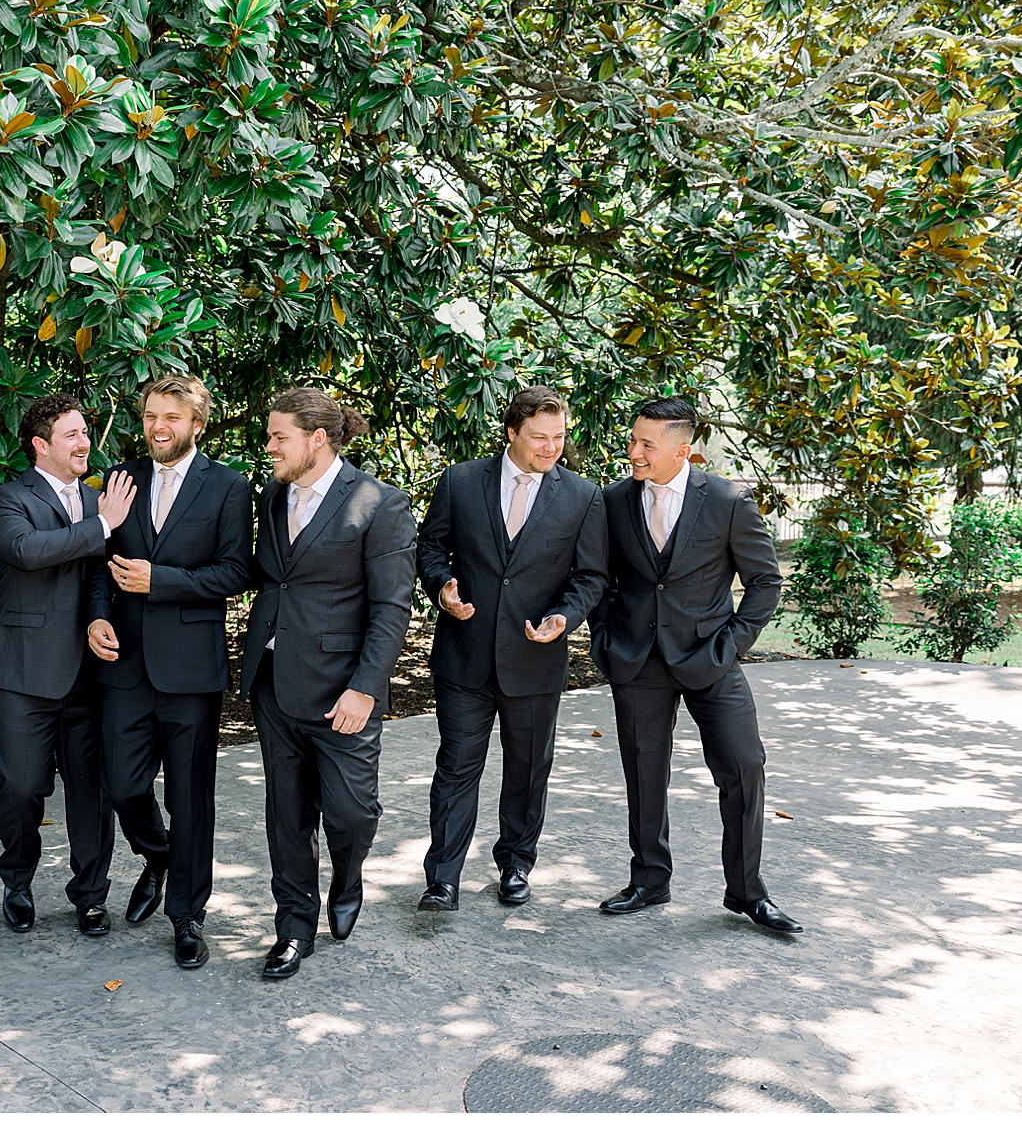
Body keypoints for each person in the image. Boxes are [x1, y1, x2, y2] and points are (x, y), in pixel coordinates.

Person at [590, 397, 802, 933]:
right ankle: (649, 879)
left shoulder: (729, 500)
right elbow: (599, 579)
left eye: (646, 444)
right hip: (637, 661)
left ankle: (747, 893)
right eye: (633, 440)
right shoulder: (612, 500)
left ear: (682, 451)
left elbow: (764, 582)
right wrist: (606, 638)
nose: (633, 452)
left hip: (712, 658)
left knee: (744, 766)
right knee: (643, 774)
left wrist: (730, 645)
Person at [241, 387, 416, 980]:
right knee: (287, 813)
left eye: (278, 437)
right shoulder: (274, 495)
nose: (269, 447)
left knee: (351, 814)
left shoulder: (379, 503)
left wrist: (365, 687)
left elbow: (391, 607)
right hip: (273, 682)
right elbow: (276, 580)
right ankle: (294, 927)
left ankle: (348, 875)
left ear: (317, 439)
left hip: (344, 690)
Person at [413, 387, 608, 912]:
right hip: (465, 654)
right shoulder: (459, 481)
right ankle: (442, 878)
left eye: (559, 437)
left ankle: (516, 865)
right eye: (540, 437)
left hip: (535, 658)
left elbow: (591, 575)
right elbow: (430, 547)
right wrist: (442, 587)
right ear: (511, 433)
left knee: (527, 770)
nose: (551, 447)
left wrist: (564, 617)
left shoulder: (584, 496)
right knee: (456, 767)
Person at [87, 375, 254, 968]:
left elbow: (237, 572)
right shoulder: (119, 478)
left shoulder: (229, 486)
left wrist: (163, 581)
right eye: (151, 416)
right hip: (125, 663)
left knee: (190, 798)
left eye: (172, 418)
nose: (158, 428)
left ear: (197, 425)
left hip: (190, 669)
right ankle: (158, 856)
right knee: (122, 784)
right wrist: (95, 617)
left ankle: (187, 915)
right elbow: (97, 562)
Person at [0, 394, 149, 935]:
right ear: (40, 445)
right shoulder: (5, 498)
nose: (84, 443)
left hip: (91, 672)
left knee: (91, 790)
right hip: (21, 669)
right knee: (22, 787)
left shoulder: (99, 500)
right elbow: (27, 551)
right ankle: (17, 881)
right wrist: (102, 524)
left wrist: (98, 617)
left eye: (85, 432)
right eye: (71, 434)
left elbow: (99, 573)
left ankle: (91, 895)